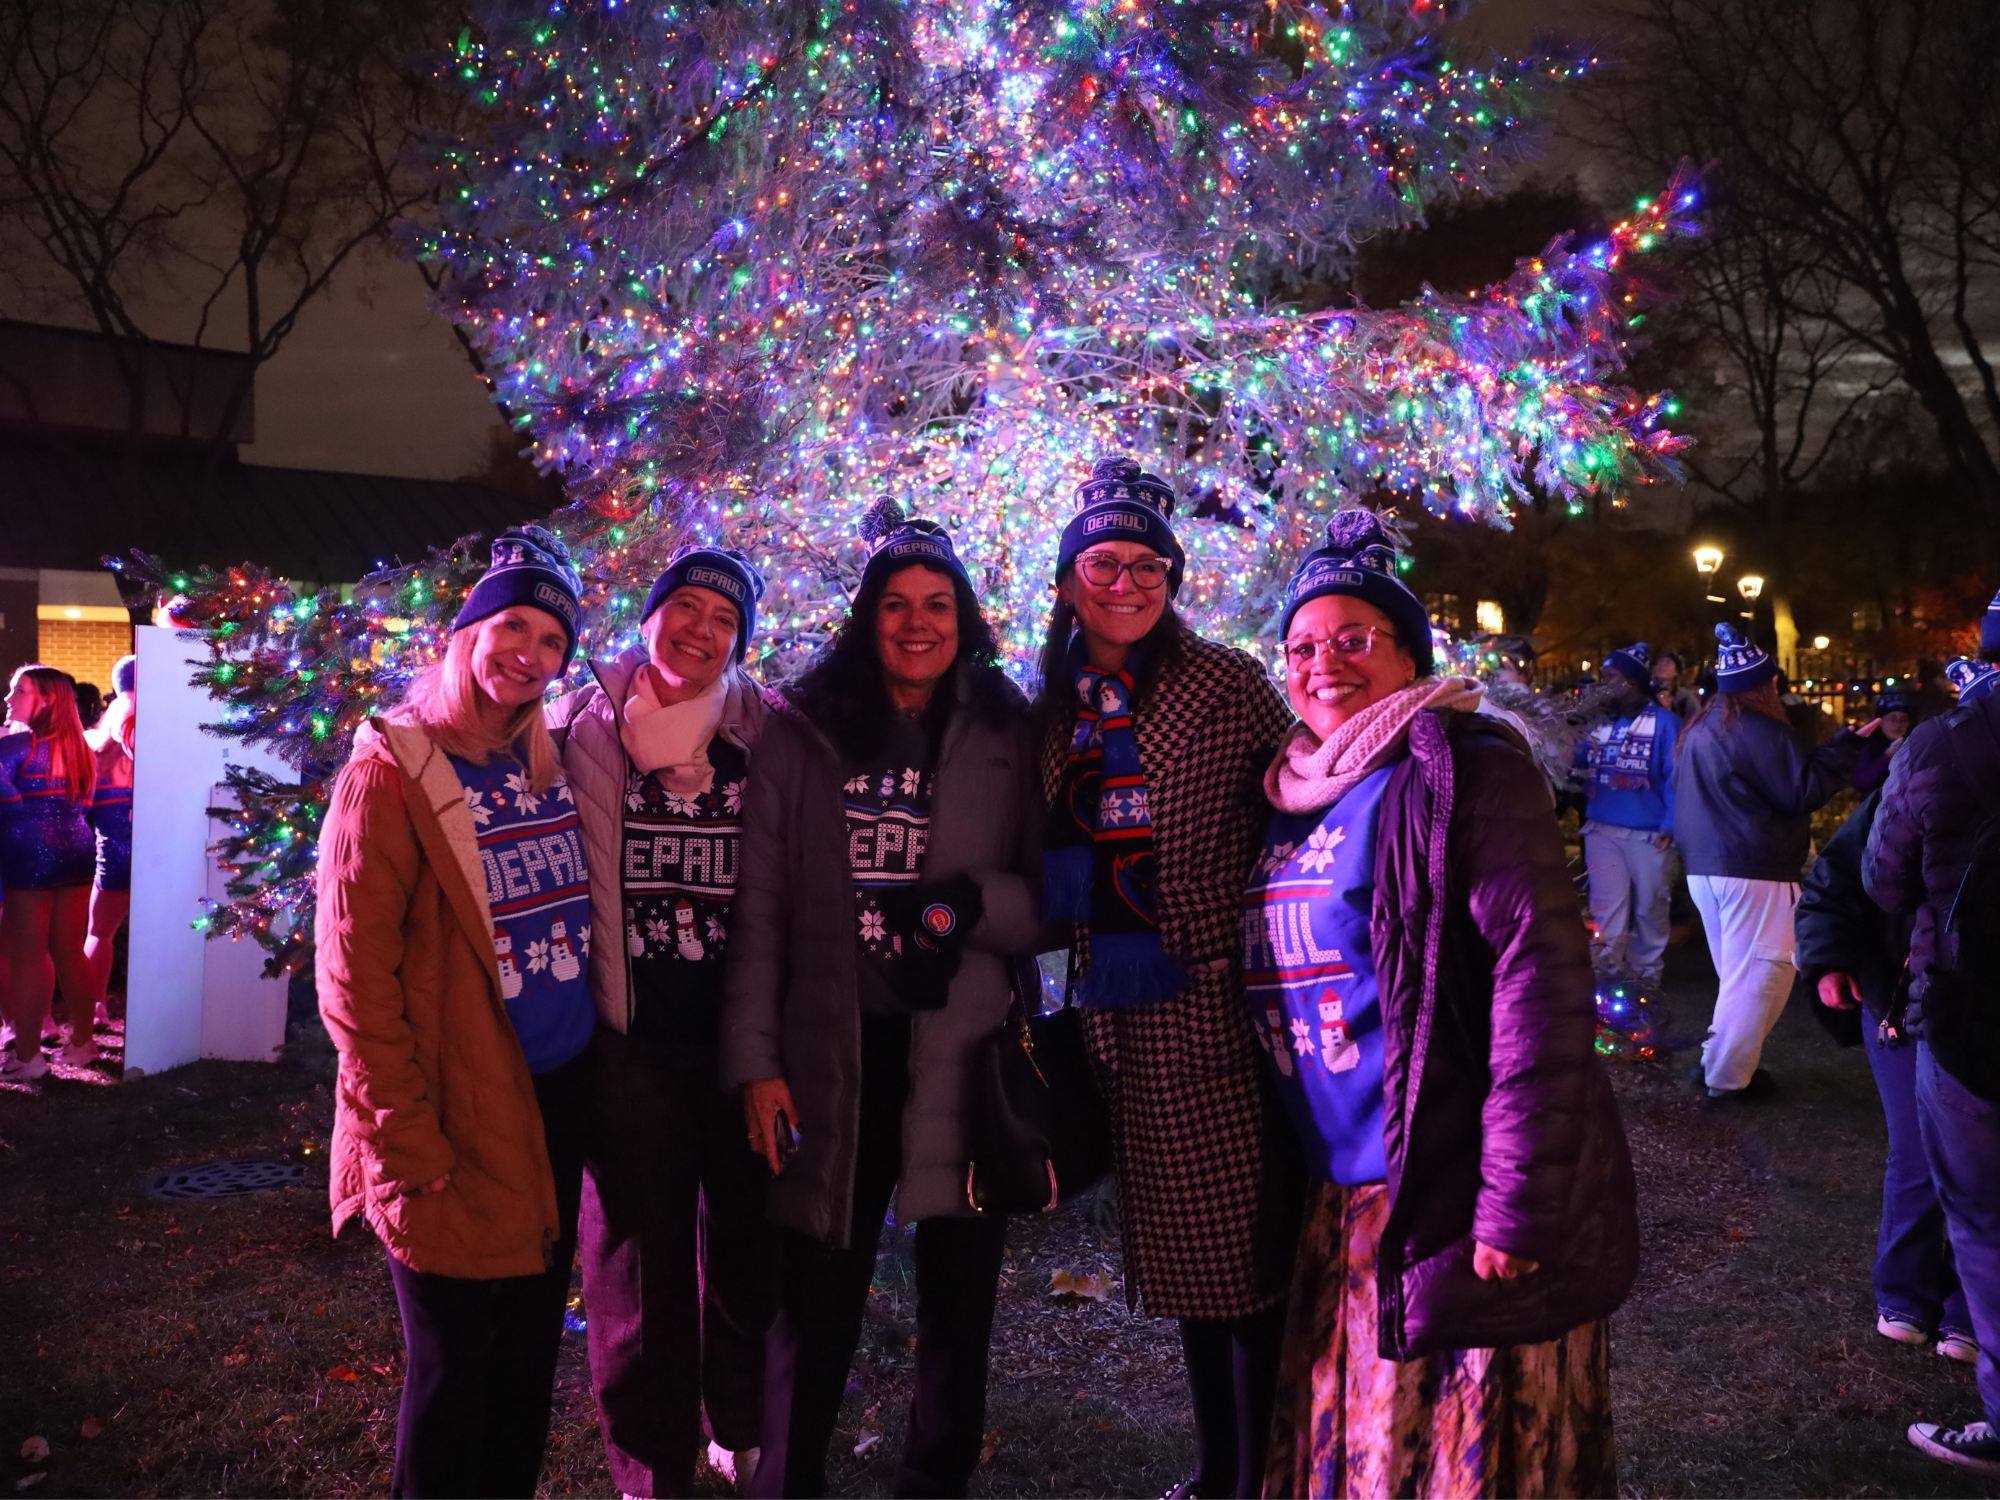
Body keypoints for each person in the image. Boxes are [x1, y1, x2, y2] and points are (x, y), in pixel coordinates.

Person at [1247, 511, 1636, 1498]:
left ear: (1408, 654)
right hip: (1340, 1198)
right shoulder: (1295, 789)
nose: (1321, 663)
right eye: (1300, 645)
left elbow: (1536, 985)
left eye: (1352, 639)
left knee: (1442, 1462)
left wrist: (1513, 1200)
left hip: (1443, 1186)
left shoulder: (1462, 767)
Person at [723, 502, 1043, 1499]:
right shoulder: (804, 730)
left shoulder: (1005, 728)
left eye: (936, 604)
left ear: (964, 617)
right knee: (814, 1290)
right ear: (865, 618)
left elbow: (1043, 895)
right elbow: (758, 912)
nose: (916, 622)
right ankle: (789, 1480)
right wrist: (756, 1063)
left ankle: (931, 1482)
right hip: (835, 1051)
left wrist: (969, 906)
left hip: (958, 1049)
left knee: (958, 1300)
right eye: (895, 604)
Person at [1035, 456, 1300, 1500]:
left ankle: (1258, 1473)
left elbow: (1305, 789)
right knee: (1191, 1272)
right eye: (1103, 561)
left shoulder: (1224, 682)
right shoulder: (1051, 703)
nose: (1128, 582)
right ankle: (1220, 1463)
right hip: (1111, 1013)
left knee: (1239, 1264)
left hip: (1217, 1006)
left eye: (1150, 564)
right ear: (1066, 581)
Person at [315, 527, 594, 1498]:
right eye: (510, 623)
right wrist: (403, 1140)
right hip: (446, 1117)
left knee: (525, 1368)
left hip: (552, 1106)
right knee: (452, 1380)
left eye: (552, 638)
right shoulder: (392, 772)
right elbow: (353, 982)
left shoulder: (548, 768)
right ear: (466, 633)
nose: (529, 650)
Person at [549, 545, 777, 1497]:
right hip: (630, 1036)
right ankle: (653, 1464)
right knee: (635, 1261)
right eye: (685, 607)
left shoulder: (769, 731)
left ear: (740, 642)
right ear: (649, 618)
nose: (701, 629)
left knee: (747, 1237)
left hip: (740, 1039)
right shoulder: (581, 724)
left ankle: (741, 1416)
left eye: (723, 620)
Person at [1865, 614, 2000, 1480]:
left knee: (1985, 1223)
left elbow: (1882, 876)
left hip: (1969, 1017)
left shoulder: (1939, 748)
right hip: (1964, 1012)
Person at [1796, 789, 1975, 1365]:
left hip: (1979, 998)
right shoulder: (1920, 776)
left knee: (1981, 1157)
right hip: (1901, 993)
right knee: (1918, 1147)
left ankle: (1969, 1307)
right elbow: (1838, 876)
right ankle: (1906, 1294)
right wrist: (1828, 958)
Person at [1671, 624, 1871, 1101]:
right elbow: (1802, 790)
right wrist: (1845, 748)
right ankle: (1724, 1078)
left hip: (1707, 866)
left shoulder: (1704, 725)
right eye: (1773, 681)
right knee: (1762, 975)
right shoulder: (1761, 729)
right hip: (1753, 865)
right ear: (1763, 685)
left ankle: (1722, 1066)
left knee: (1739, 976)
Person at [0, 666, 98, 1081]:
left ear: (47, 700)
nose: (8, 698)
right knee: (69, 951)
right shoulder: (81, 749)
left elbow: (7, 811)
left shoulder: (14, 748)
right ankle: (83, 1043)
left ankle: (26, 1057)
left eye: (18, 691)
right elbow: (85, 807)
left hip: (27, 857)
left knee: (25, 958)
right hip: (76, 852)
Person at [1574, 640, 1678, 985]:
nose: (1604, 684)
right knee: (1607, 908)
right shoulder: (1598, 723)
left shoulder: (1665, 724)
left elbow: (1677, 778)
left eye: (1611, 676)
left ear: (1631, 681)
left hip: (1650, 834)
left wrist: (1671, 824)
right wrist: (1567, 729)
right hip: (1602, 830)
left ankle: (1647, 976)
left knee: (1650, 907)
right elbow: (1573, 767)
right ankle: (1608, 976)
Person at [77, 654, 138, 1063]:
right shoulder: (154, 726)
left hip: (112, 849)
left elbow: (79, 805)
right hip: (152, 845)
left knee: (100, 932)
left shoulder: (95, 742)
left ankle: (93, 1009)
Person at [1852, 689, 1913, 793]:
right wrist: (1886, 756)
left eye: (1903, 719)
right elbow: (1860, 782)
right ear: (1880, 721)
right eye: (1892, 718)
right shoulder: (1867, 746)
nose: (1898, 724)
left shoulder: (1914, 744)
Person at [1653, 650, 1699, 721]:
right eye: (1660, 661)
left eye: (1668, 662)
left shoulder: (1686, 699)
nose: (1662, 664)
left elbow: (1696, 724)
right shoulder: (1647, 693)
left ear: (1676, 672)